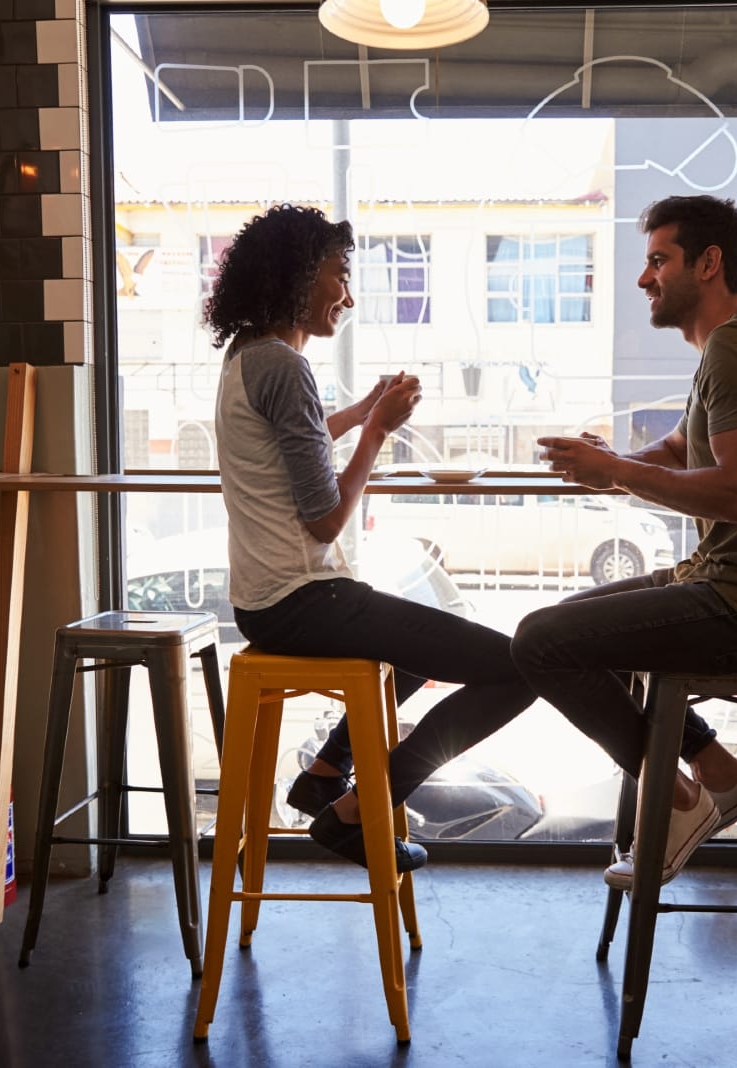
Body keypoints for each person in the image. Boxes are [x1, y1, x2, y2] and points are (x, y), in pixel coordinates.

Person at [510, 195, 737, 889]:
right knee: (562, 633)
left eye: (659, 260)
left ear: (708, 264)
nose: (643, 278)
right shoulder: (735, 345)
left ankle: (685, 799)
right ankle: (716, 771)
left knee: (543, 641)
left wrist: (618, 474)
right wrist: (612, 462)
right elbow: (681, 447)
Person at [207, 203, 536, 873]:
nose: (348, 296)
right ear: (297, 278)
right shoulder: (284, 367)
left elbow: (289, 448)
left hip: (266, 601)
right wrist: (379, 432)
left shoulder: (249, 357)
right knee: (518, 667)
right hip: (303, 600)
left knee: (427, 635)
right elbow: (324, 517)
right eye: (339, 276)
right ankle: (357, 810)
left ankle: (327, 771)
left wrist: (357, 413)